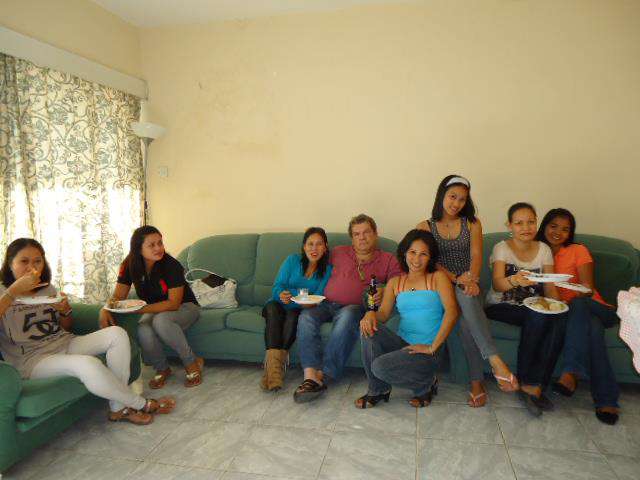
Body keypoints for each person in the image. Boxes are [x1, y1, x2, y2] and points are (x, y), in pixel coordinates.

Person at [0, 238, 174, 425]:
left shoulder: (47, 288)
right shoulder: (3, 292)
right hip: (32, 360)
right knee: (87, 364)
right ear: (10, 264)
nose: (31, 267)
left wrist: (65, 311)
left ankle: (118, 408)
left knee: (117, 334)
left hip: (63, 342)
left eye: (37, 261)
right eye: (24, 261)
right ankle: (140, 403)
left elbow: (66, 327)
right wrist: (13, 291)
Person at [417, 175, 518, 408]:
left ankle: (477, 382)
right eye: (452, 196)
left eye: (462, 199)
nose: (456, 203)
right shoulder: (425, 226)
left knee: (464, 319)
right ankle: (494, 363)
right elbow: (430, 261)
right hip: (442, 285)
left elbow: (476, 256)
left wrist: (470, 279)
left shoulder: (472, 223)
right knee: (463, 296)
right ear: (441, 195)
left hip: (469, 284)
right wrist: (456, 279)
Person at [294, 214, 402, 403]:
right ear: (351, 238)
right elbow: (313, 263)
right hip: (324, 303)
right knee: (305, 317)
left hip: (354, 308)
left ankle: (324, 375)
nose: (362, 237)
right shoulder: (338, 252)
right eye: (357, 234)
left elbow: (399, 283)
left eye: (366, 232)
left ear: (375, 234)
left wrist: (384, 290)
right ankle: (310, 376)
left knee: (348, 315)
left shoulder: (388, 259)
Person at [356, 230, 458, 408]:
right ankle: (378, 389)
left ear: (430, 257)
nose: (416, 259)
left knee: (379, 367)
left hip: (429, 349)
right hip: (403, 346)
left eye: (423, 254)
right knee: (367, 327)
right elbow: (383, 315)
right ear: (404, 253)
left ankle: (425, 384)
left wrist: (432, 347)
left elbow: (452, 312)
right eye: (412, 252)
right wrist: (370, 314)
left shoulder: (438, 278)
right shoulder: (395, 282)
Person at [537, 208, 620, 425]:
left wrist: (571, 299)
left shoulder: (578, 250)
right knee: (593, 330)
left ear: (570, 233)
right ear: (544, 226)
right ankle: (607, 400)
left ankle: (571, 371)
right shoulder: (538, 251)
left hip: (596, 307)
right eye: (553, 226)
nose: (558, 232)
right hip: (571, 314)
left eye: (565, 229)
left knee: (580, 304)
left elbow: (588, 289)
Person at [484, 203, 567, 417]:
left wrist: (558, 307)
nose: (526, 227)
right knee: (537, 314)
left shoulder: (544, 250)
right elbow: (497, 285)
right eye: (519, 223)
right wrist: (514, 280)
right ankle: (527, 382)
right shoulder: (502, 248)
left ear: (536, 223)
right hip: (501, 305)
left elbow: (549, 287)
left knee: (557, 319)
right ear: (509, 225)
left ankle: (538, 386)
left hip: (533, 306)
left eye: (530, 222)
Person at [100, 226, 202, 389]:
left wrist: (137, 309)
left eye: (160, 243)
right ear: (138, 249)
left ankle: (191, 362)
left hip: (185, 307)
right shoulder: (129, 264)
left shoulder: (171, 265)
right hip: (156, 309)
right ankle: (162, 368)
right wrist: (105, 308)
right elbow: (118, 296)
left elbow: (173, 303)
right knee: (143, 329)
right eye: (152, 245)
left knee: (161, 321)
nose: (158, 248)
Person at [261, 227, 332, 391]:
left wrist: (294, 295)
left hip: (298, 309)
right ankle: (275, 372)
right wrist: (282, 294)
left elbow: (318, 295)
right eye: (310, 244)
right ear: (304, 246)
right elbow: (277, 287)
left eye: (319, 244)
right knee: (272, 309)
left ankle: (274, 372)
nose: (314, 248)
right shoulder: (292, 260)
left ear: (325, 247)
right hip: (278, 304)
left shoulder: (328, 270)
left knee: (294, 316)